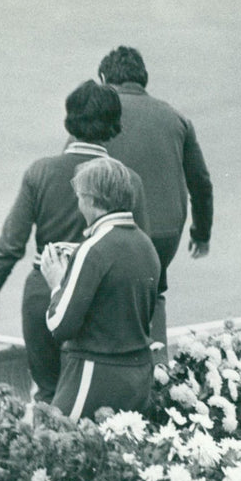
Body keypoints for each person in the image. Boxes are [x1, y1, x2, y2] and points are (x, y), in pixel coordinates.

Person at [0, 80, 149, 404]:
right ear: (114, 127)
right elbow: (141, 253)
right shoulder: (129, 181)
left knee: (50, 393)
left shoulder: (40, 172)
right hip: (101, 304)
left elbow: (11, 244)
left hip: (44, 292)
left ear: (69, 121)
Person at [89, 46, 214, 349]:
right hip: (164, 236)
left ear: (105, 79)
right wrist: (201, 233)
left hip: (116, 234)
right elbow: (201, 183)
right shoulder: (176, 118)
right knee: (153, 292)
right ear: (142, 79)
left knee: (105, 296)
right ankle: (158, 371)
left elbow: (74, 170)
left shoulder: (96, 116)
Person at [41, 156, 160, 420]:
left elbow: (59, 325)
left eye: (81, 197)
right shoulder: (145, 244)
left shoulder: (93, 250)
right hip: (138, 376)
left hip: (94, 376)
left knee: (52, 447)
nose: (79, 204)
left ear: (93, 200)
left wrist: (57, 282)